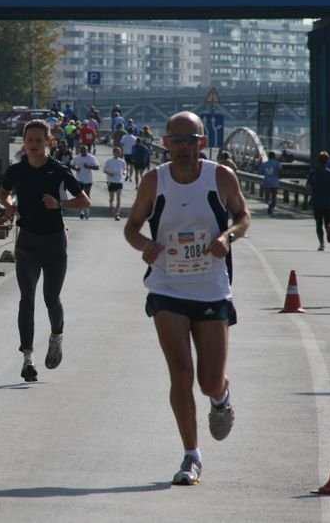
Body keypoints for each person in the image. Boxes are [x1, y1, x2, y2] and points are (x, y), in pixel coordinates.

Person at [123, 111, 250, 486]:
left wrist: (228, 237)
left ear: (203, 142)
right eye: (176, 140)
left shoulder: (220, 177)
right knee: (181, 373)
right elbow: (131, 227)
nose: (182, 147)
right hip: (167, 287)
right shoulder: (154, 181)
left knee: (208, 381)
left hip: (211, 289)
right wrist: (145, 245)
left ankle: (220, 397)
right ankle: (191, 456)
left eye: (190, 140)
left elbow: (243, 216)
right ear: (165, 143)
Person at [0, 120, 91, 382]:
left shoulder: (58, 171)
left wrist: (59, 203)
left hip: (53, 242)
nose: (34, 145)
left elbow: (84, 200)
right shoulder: (16, 171)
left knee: (51, 299)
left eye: (39, 140)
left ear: (48, 142)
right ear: (24, 142)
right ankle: (28, 358)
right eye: (30, 140)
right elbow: (3, 193)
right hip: (27, 242)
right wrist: (8, 205)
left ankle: (56, 335)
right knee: (26, 298)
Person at [306, 151, 330, 251]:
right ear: (327, 161)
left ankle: (322, 244)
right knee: (329, 220)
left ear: (318, 161)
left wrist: (313, 194)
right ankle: (329, 228)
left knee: (318, 223)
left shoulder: (313, 173)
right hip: (329, 202)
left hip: (317, 201)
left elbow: (308, 187)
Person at [71, 144, 100, 219]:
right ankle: (81, 211)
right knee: (80, 195)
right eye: (82, 150)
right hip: (79, 179)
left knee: (87, 194)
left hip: (88, 179)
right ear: (80, 151)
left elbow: (97, 167)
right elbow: (72, 165)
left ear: (87, 150)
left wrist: (89, 166)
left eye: (84, 150)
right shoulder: (77, 157)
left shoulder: (91, 158)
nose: (83, 152)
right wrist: (76, 169)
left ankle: (86, 209)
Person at [103, 146, 126, 220]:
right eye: (117, 152)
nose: (118, 153)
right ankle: (111, 205)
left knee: (118, 198)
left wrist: (124, 173)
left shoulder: (122, 161)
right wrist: (109, 173)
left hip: (119, 181)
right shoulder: (108, 161)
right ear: (113, 153)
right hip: (110, 181)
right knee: (111, 198)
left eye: (119, 152)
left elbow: (125, 169)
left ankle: (117, 214)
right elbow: (104, 169)